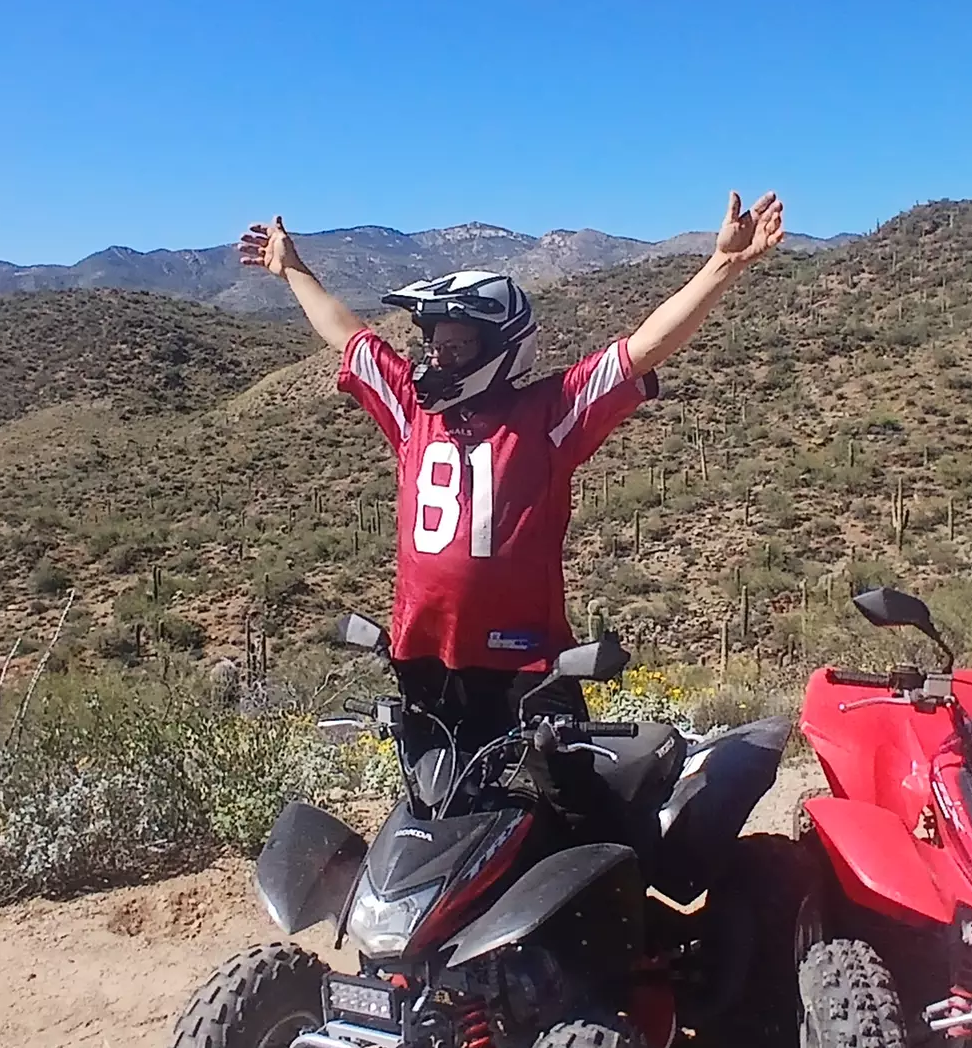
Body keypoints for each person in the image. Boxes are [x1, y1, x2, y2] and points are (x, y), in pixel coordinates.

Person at [237, 193, 786, 755]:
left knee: (563, 812)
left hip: (525, 666)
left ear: (498, 346)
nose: (437, 358)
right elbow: (349, 335)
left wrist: (723, 264)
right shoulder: (411, 409)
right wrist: (292, 268)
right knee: (438, 808)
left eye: (456, 346)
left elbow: (639, 350)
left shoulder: (549, 415)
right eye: (433, 344)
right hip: (424, 660)